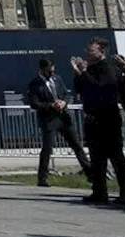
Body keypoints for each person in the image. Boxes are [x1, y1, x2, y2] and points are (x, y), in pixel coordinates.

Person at [70, 37, 125, 204]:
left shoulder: (108, 68)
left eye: (91, 51)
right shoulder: (92, 68)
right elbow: (81, 88)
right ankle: (99, 191)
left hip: (107, 117)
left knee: (115, 156)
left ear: (102, 51)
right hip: (92, 116)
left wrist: (84, 72)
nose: (88, 54)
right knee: (97, 157)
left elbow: (101, 86)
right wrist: (79, 73)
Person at [27, 57, 90, 187]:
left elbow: (67, 94)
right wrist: (51, 105)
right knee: (47, 149)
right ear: (42, 69)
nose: (51, 74)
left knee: (77, 146)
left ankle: (91, 175)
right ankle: (42, 178)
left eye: (52, 70)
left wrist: (64, 102)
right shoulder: (35, 84)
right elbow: (34, 103)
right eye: (48, 71)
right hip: (49, 120)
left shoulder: (57, 79)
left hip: (64, 117)